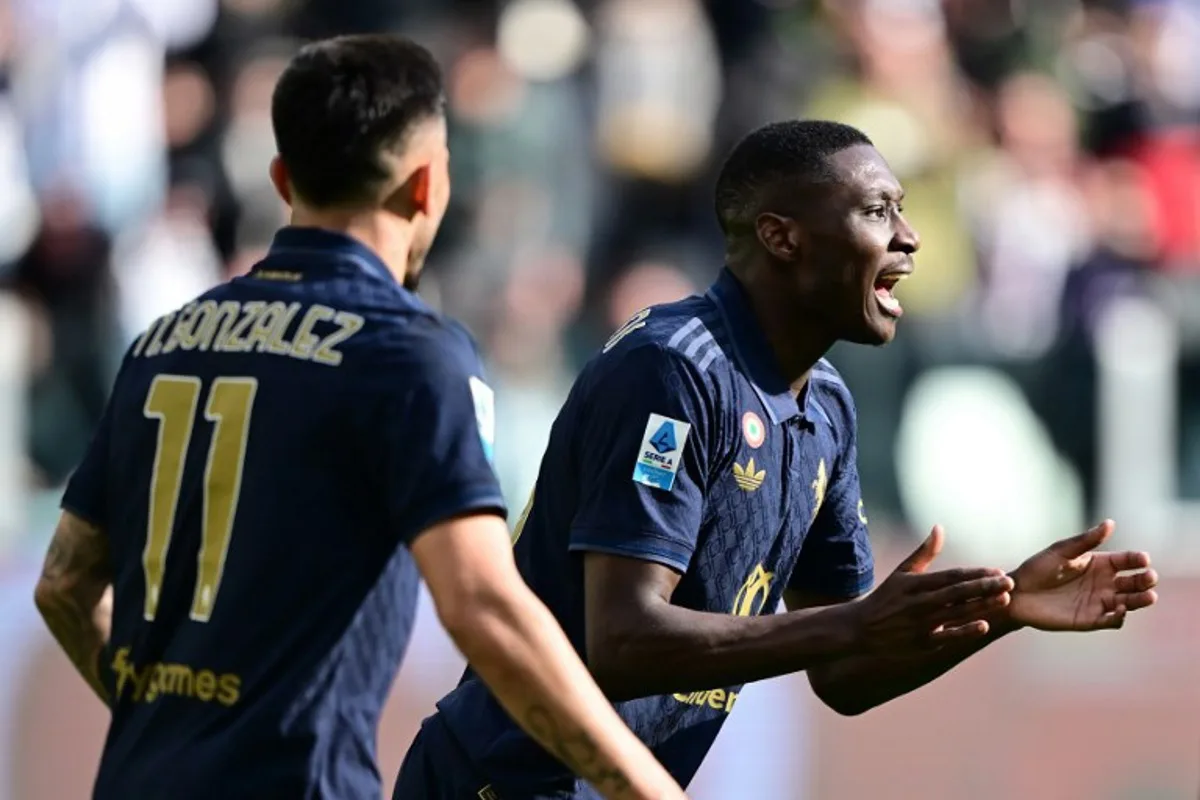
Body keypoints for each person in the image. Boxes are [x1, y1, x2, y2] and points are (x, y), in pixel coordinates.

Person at [394, 120, 1160, 799]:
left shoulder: (824, 403)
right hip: (506, 781)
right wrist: (857, 624)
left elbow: (841, 675)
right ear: (782, 236)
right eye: (875, 211)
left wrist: (1004, 609)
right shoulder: (673, 370)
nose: (909, 236)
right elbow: (621, 641)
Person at [32, 34, 684, 800]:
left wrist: (172, 726)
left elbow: (65, 587)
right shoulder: (410, 352)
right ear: (428, 187)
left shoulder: (162, 344)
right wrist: (648, 789)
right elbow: (480, 603)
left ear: (282, 180)